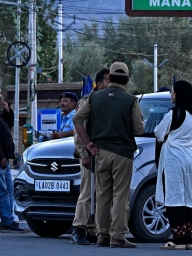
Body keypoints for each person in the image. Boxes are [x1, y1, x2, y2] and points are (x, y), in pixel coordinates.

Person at [74, 62, 143, 249]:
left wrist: (88, 143)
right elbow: (139, 129)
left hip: (100, 153)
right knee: (120, 195)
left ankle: (102, 235)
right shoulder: (131, 100)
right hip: (122, 154)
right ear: (127, 81)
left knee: (102, 194)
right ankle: (117, 236)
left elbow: (77, 119)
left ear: (110, 78)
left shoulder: (94, 97)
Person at [154, 80, 192, 250]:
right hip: (190, 157)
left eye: (172, 91)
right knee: (188, 197)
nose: (171, 95)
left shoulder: (174, 113)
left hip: (174, 157)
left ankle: (177, 239)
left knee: (174, 197)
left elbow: (159, 133)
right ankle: (187, 238)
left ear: (179, 94)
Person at [71, 67, 110, 245]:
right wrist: (84, 154)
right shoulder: (87, 101)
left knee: (100, 193)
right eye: (108, 81)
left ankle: (92, 229)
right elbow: (79, 131)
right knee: (87, 192)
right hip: (89, 153)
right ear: (99, 84)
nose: (110, 84)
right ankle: (78, 228)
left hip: (104, 154)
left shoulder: (109, 101)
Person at [0, 82, 25, 232]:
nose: (1, 96)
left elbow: (7, 127)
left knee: (9, 190)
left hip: (3, 158)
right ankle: (7, 221)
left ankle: (10, 220)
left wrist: (8, 112)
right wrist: (0, 156)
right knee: (1, 190)